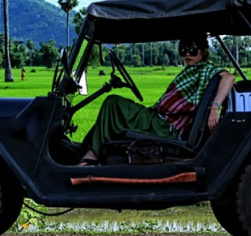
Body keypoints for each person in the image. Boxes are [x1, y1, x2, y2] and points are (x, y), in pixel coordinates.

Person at [78, 32, 235, 166]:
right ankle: (87, 151)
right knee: (111, 113)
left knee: (112, 103)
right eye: (183, 50)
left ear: (204, 51)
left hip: (165, 127)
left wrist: (214, 108)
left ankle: (91, 156)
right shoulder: (192, 70)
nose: (187, 54)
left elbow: (229, 77)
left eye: (193, 51)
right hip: (157, 119)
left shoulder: (205, 69)